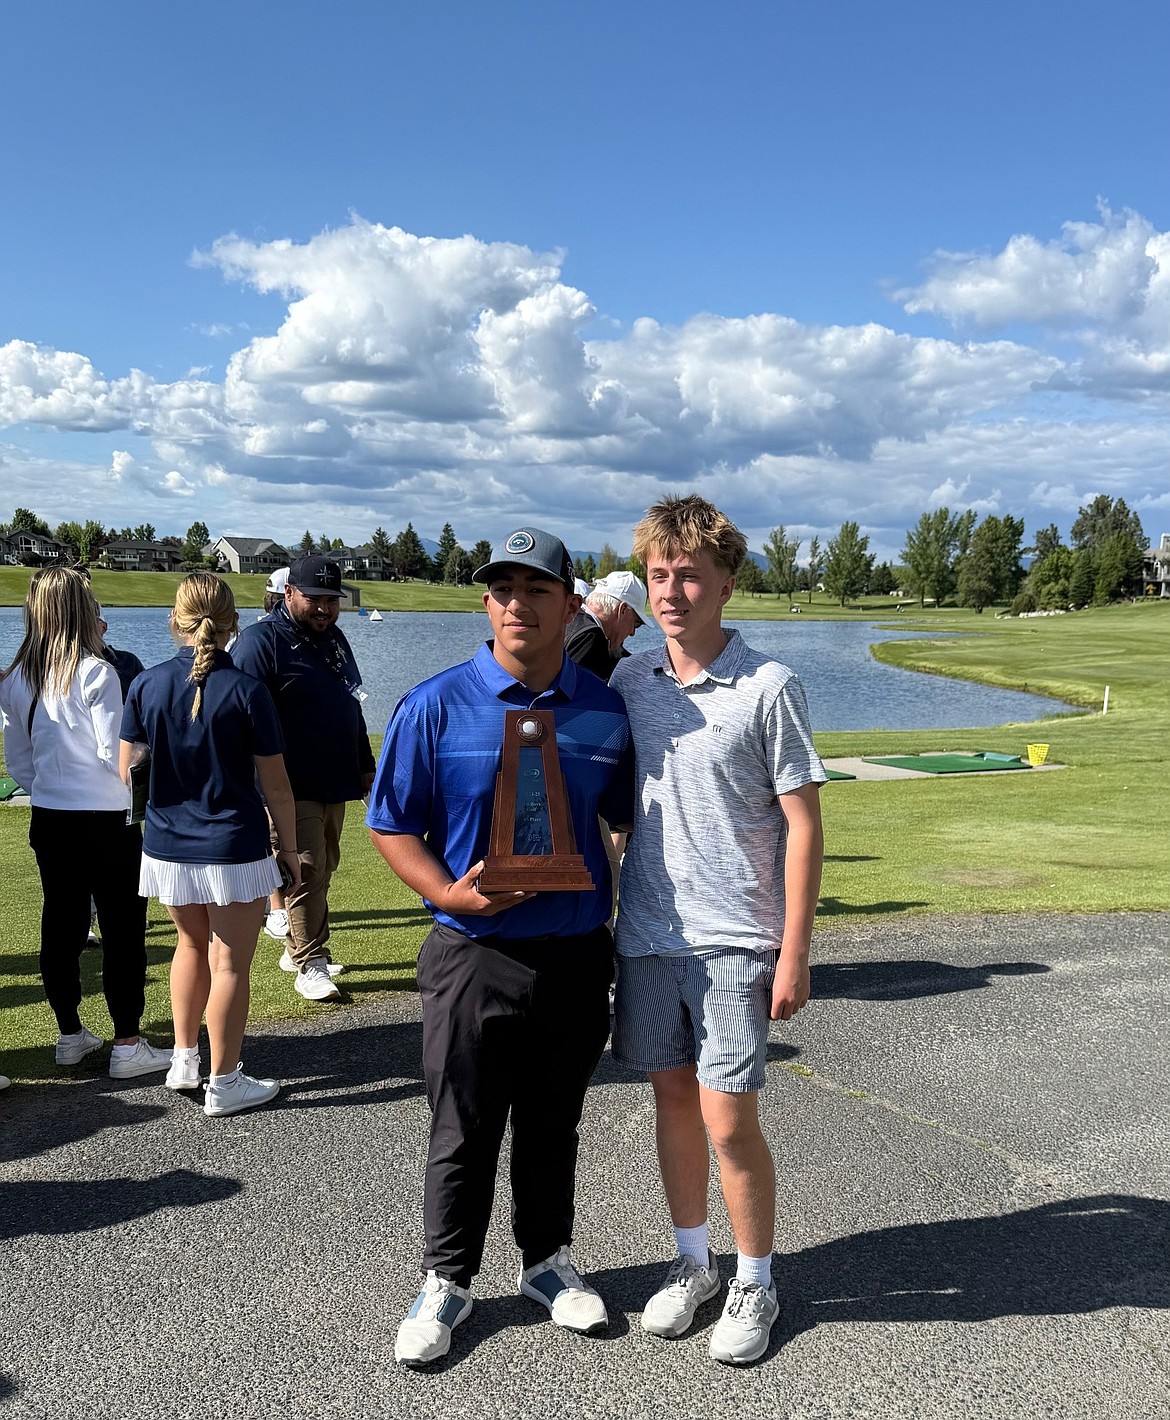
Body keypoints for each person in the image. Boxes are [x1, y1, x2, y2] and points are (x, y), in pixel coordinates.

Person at [367, 526, 634, 1368]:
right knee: (464, 1125)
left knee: (555, 1121)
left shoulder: (605, 705)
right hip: (472, 951)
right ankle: (446, 1278)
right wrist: (444, 891)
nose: (517, 604)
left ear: (569, 604)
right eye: (502, 590)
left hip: (574, 950)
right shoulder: (435, 703)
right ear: (487, 603)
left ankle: (547, 1263)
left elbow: (625, 816)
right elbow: (390, 823)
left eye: (536, 590)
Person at [610, 494, 826, 1366]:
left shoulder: (768, 687)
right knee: (670, 1105)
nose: (672, 591)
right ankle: (692, 1261)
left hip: (737, 939)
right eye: (660, 575)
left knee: (729, 1121)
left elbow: (804, 824)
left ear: (728, 583)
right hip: (647, 937)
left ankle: (755, 1280)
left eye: (690, 575)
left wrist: (796, 952)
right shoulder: (629, 682)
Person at [119, 572, 301, 1117]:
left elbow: (127, 771)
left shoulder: (146, 684)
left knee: (190, 947)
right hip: (232, 847)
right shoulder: (247, 691)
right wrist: (288, 850)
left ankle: (183, 1060)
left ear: (176, 619)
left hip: (169, 844)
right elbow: (276, 785)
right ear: (231, 623)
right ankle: (223, 1082)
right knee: (229, 964)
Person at [0, 567, 169, 1078]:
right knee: (123, 931)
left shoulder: (15, 678)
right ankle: (126, 1042)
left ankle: (69, 1033)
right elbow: (112, 754)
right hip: (106, 820)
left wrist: (50, 786)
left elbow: (19, 763)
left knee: (62, 924)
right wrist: (147, 751)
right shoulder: (97, 673)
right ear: (78, 609)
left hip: (51, 817)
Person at [232, 556, 375, 1001]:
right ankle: (309, 963)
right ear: (289, 592)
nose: (324, 608)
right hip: (286, 784)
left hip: (334, 776)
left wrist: (366, 764)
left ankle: (301, 946)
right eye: (315, 599)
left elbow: (351, 704)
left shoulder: (333, 639)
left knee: (323, 867)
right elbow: (239, 717)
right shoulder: (260, 643)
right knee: (307, 868)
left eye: (332, 600)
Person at [259, 567, 293, 941]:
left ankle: (280, 910)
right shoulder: (259, 638)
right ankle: (277, 909)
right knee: (272, 838)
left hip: (282, 756)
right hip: (266, 758)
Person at [564, 570, 646, 682]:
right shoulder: (591, 637)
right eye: (636, 623)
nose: (632, 632)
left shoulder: (572, 619)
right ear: (622, 610)